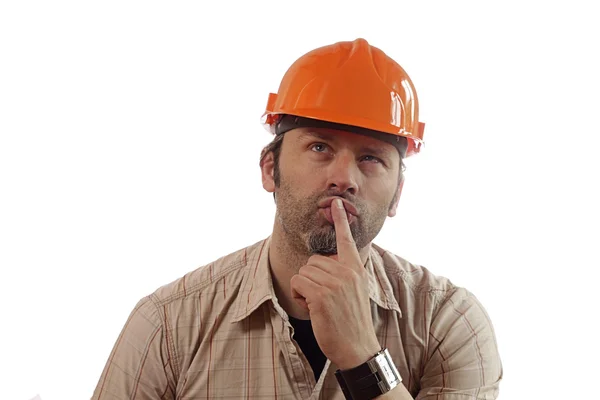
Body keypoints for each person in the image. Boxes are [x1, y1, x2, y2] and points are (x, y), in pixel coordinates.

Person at [92, 38, 502, 400]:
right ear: (270, 169)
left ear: (397, 194)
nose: (344, 179)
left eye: (371, 158)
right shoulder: (169, 323)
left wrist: (363, 358)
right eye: (320, 147)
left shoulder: (447, 323)